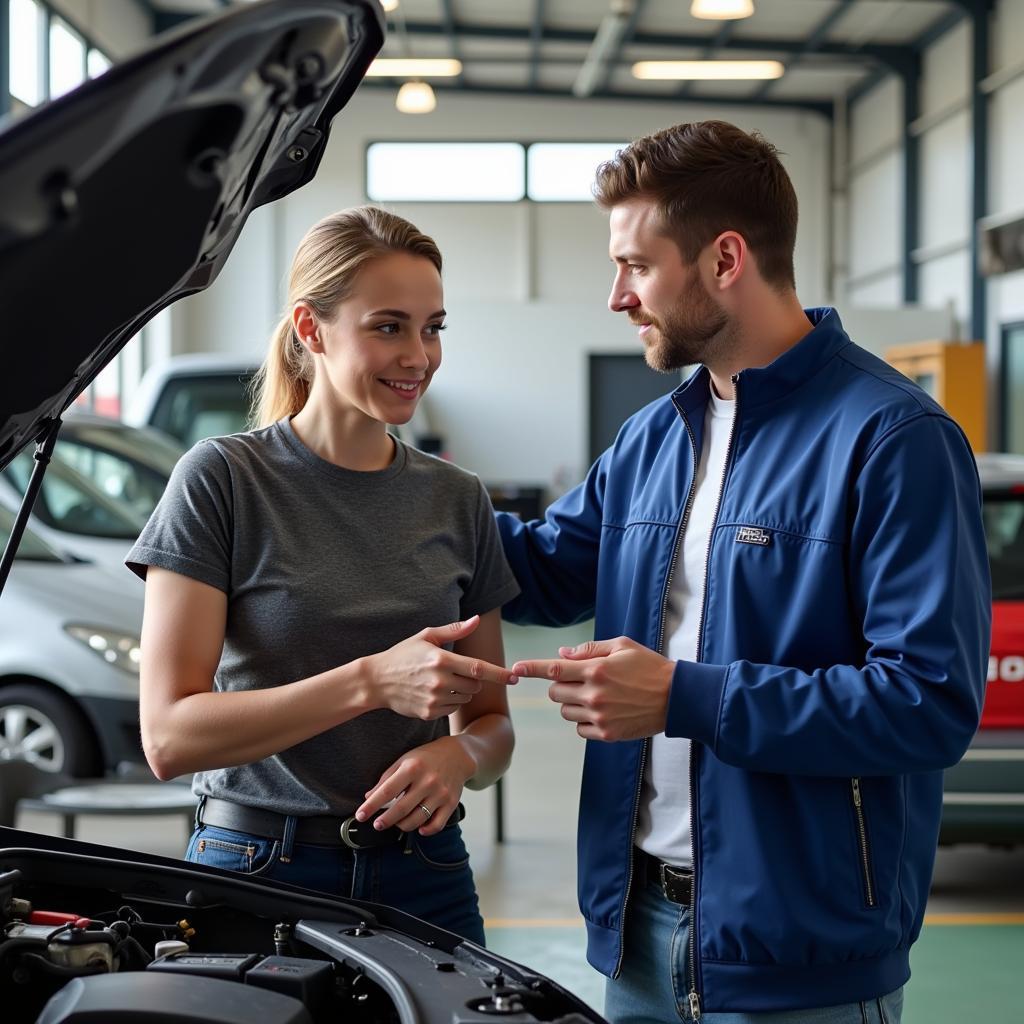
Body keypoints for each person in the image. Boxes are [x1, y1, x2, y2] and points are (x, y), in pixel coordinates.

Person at [498, 121, 990, 1023]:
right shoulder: (654, 438)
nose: (617, 297)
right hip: (635, 933)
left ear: (725, 259)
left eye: (636, 267)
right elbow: (533, 570)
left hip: (800, 958)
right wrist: (363, 477)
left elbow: (928, 704)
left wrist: (686, 697)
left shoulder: (892, 441)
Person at [126, 206, 520, 945]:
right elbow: (170, 736)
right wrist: (371, 682)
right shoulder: (223, 480)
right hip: (256, 870)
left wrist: (458, 754)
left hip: (425, 872)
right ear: (312, 329)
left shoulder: (457, 498)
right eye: (388, 326)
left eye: (433, 327)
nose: (419, 355)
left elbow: (492, 723)